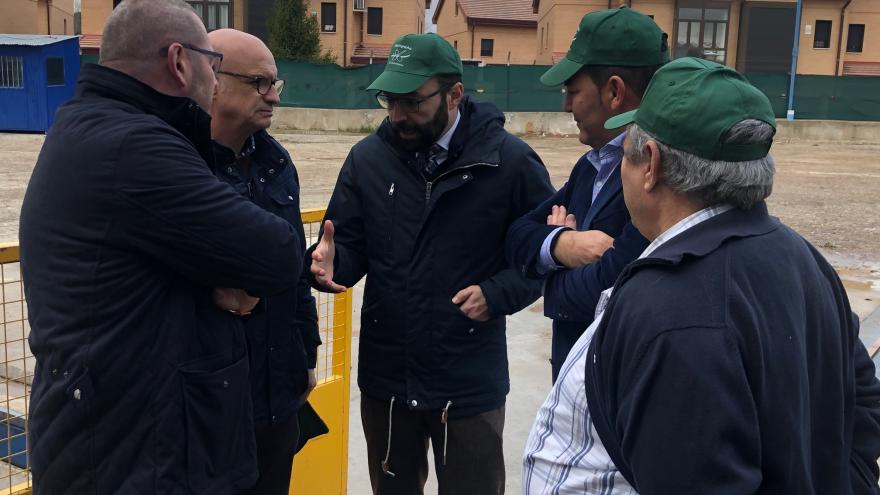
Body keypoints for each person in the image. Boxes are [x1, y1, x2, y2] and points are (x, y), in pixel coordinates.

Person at [524, 57, 880, 494]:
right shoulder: (802, 256)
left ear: (650, 164)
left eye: (627, 153)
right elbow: (862, 402)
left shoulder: (672, 309)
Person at [19, 2, 304, 494]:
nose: (214, 85)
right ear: (178, 61)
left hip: (125, 437)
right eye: (211, 68)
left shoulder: (95, 127)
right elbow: (277, 254)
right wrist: (235, 274)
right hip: (132, 456)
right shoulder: (135, 146)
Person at [308, 33, 554, 495]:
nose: (397, 114)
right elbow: (347, 246)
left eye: (412, 102)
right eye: (389, 100)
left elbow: (541, 255)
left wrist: (498, 292)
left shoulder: (509, 162)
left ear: (454, 94)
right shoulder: (367, 159)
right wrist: (327, 265)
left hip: (467, 381)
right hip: (388, 379)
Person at [506, 6, 666, 381]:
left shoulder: (658, 176)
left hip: (619, 399)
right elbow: (516, 237)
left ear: (614, 92)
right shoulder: (592, 166)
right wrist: (563, 244)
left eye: (572, 91)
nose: (565, 105)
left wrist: (551, 281)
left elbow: (608, 292)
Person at [208, 29, 321, 495]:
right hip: (211, 397)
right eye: (259, 82)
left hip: (278, 395)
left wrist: (307, 348)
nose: (273, 95)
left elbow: (293, 267)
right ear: (210, 79)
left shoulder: (276, 163)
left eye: (276, 83)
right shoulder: (178, 165)